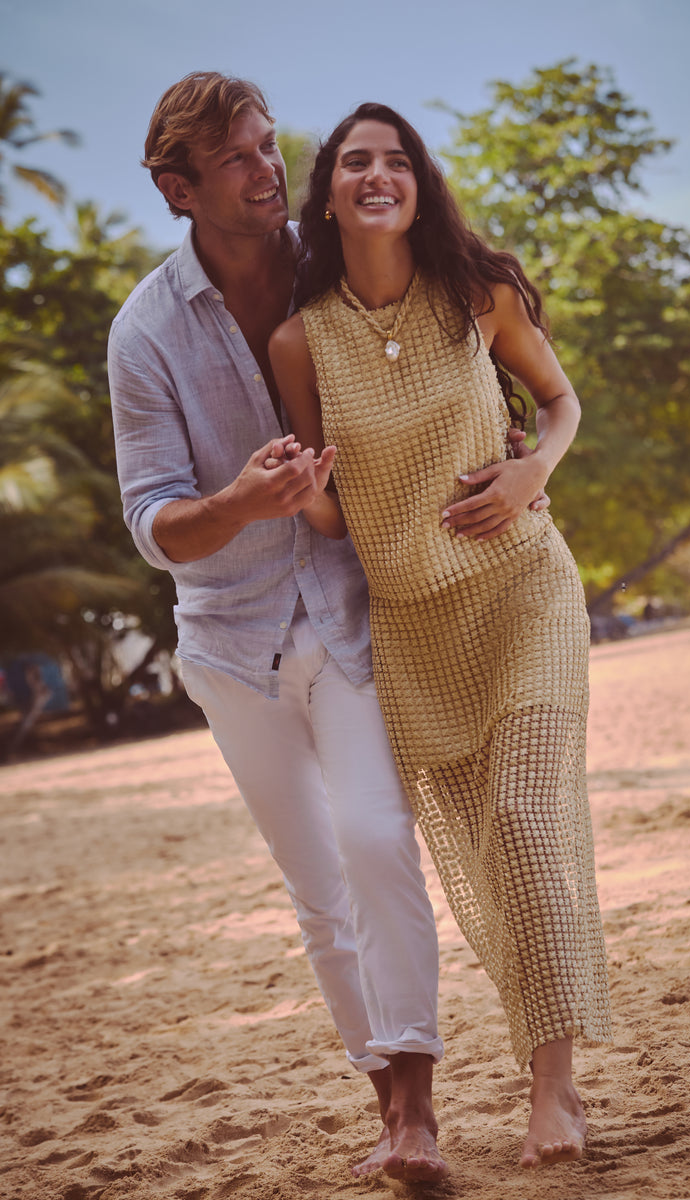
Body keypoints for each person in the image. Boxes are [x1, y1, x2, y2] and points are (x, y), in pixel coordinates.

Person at [107, 74, 451, 1184]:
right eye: (238, 160)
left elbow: (443, 329)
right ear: (176, 191)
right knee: (317, 892)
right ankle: (386, 1102)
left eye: (268, 148)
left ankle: (419, 1107)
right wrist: (237, 506)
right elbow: (156, 522)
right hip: (229, 641)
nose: (269, 172)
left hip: (350, 611)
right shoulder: (143, 333)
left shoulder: (332, 260)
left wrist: (521, 452)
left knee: (372, 837)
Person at [268, 102, 613, 1171]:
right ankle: (542, 1053)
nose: (378, 174)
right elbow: (332, 513)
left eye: (396, 160)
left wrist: (527, 473)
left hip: (522, 590)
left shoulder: (477, 293)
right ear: (326, 191)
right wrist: (305, 499)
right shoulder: (297, 339)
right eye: (354, 162)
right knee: (480, 854)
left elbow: (556, 407)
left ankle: (551, 1089)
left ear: (418, 182)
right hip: (414, 624)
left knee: (517, 816)